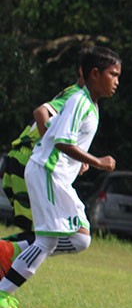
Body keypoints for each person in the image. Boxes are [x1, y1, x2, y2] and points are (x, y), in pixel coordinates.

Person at [0, 46, 120, 308]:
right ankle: (2, 290)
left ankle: (10, 249)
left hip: (57, 177)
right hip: (47, 173)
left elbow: (63, 140)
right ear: (94, 73)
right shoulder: (78, 99)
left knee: (80, 239)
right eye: (113, 74)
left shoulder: (90, 105)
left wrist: (77, 163)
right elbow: (61, 140)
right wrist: (96, 161)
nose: (117, 82)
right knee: (46, 240)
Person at [2, 80, 87, 243]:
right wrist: (48, 149)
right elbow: (41, 113)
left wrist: (76, 158)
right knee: (45, 234)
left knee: (41, 233)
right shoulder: (77, 95)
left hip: (24, 158)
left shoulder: (80, 98)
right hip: (28, 159)